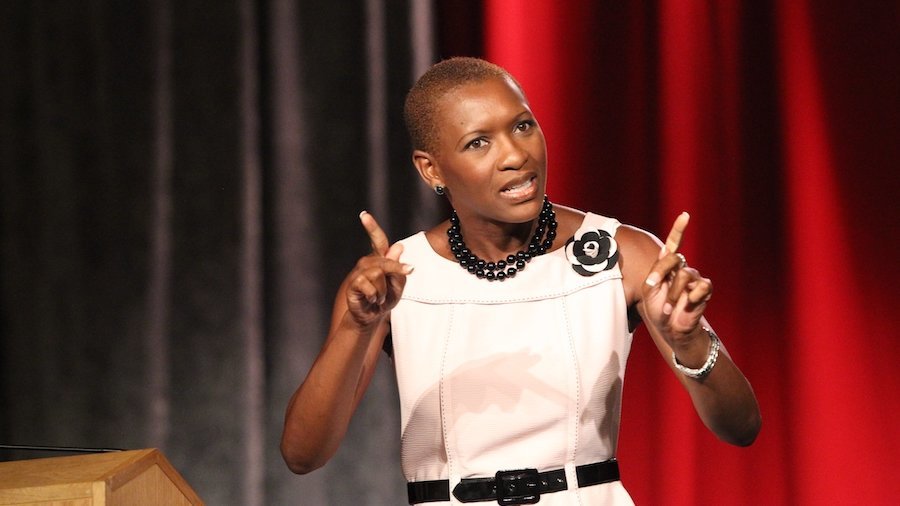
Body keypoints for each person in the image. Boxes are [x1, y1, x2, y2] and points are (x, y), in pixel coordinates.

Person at [281, 57, 761, 505]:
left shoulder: (624, 253)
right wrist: (356, 326)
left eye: (522, 125)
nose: (515, 155)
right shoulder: (394, 277)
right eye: (478, 142)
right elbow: (302, 455)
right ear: (431, 169)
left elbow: (742, 427)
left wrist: (690, 340)